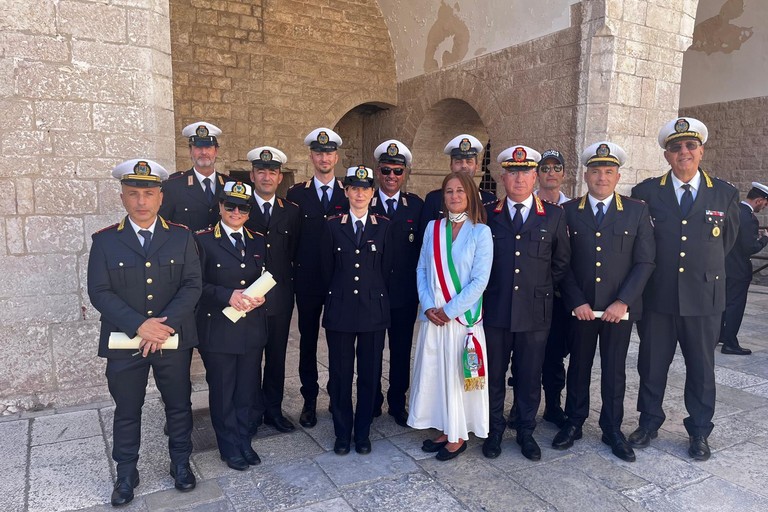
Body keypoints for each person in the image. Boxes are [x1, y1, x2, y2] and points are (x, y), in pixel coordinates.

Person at [87, 159, 201, 506]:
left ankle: (180, 462)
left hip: (171, 338)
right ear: (122, 197)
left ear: (160, 197)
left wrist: (160, 326)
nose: (141, 201)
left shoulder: (180, 237)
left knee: (179, 405)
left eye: (148, 193)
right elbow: (99, 291)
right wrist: (140, 325)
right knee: (127, 408)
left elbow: (192, 285)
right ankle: (126, 472)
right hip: (125, 340)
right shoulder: (106, 241)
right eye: (133, 193)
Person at [630, 117, 740, 461]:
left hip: (703, 298)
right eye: (676, 147)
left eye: (690, 146)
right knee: (651, 365)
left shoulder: (725, 193)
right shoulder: (646, 192)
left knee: (702, 369)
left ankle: (699, 432)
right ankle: (649, 422)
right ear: (666, 155)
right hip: (658, 297)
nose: (684, 152)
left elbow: (727, 244)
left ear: (701, 150)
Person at [554, 142, 655, 462]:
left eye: (608, 171)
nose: (602, 177)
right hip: (582, 309)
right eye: (596, 171)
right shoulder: (568, 211)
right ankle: (574, 422)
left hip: (617, 312)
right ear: (586, 175)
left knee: (614, 370)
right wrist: (575, 301)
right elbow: (562, 262)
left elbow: (645, 262)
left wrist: (623, 301)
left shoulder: (637, 210)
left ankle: (612, 427)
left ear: (617, 176)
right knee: (578, 367)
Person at [482, 145, 570, 461]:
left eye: (526, 173)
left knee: (529, 376)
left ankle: (525, 432)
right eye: (513, 172)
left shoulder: (555, 215)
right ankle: (493, 431)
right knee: (493, 375)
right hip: (495, 310)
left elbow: (560, 263)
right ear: (503, 177)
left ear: (535, 177)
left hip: (534, 313)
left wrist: (540, 290)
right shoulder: (487, 214)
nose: (519, 179)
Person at [408, 172, 493, 461]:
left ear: (470, 195)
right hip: (434, 319)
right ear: (442, 197)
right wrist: (429, 305)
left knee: (458, 377)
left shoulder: (480, 232)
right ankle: (445, 427)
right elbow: (421, 269)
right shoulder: (432, 228)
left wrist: (448, 310)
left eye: (460, 191)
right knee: (436, 374)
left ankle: (458, 435)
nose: (454, 196)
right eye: (449, 191)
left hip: (461, 320)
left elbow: (480, 281)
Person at [194, 181, 267, 471]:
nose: (236, 211)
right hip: (219, 328)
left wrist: (262, 296)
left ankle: (243, 440)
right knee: (223, 390)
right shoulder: (202, 240)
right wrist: (227, 295)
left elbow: (265, 275)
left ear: (249, 212)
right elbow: (194, 285)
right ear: (220, 207)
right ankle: (228, 446)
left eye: (243, 207)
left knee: (247, 389)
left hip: (251, 327)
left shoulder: (258, 239)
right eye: (230, 205)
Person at [320, 166, 392, 455]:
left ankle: (362, 433)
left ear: (372, 193)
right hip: (340, 310)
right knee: (340, 373)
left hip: (373, 311)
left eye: (365, 188)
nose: (359, 193)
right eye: (354, 187)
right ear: (346, 191)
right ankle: (341, 432)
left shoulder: (385, 225)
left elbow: (389, 268)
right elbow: (326, 268)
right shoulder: (331, 225)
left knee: (369, 373)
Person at [287, 127, 349, 428]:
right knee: (308, 341)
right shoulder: (297, 194)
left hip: (339, 281)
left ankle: (337, 395)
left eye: (329, 152)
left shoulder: (348, 192)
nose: (324, 157)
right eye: (318, 152)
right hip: (308, 281)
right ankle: (309, 399)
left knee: (339, 340)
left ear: (336, 157)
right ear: (311, 156)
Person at [508, 148, 572, 429]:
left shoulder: (568, 209)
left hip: (553, 297)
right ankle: (517, 409)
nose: (550, 173)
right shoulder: (511, 207)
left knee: (553, 354)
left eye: (555, 168)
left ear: (563, 174)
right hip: (522, 298)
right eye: (544, 168)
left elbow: (564, 258)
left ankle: (553, 405)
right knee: (522, 358)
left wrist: (545, 286)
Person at [245, 146, 301, 432]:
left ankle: (273, 410)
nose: (267, 176)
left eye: (273, 172)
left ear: (280, 178)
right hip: (249, 298)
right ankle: (253, 411)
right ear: (253, 174)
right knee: (252, 355)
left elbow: (294, 252)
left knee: (277, 355)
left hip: (279, 296)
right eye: (261, 171)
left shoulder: (291, 212)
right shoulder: (240, 207)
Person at [369, 139, 423, 427]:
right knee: (372, 350)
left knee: (401, 351)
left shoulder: (415, 206)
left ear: (405, 174)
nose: (392, 177)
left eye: (398, 171)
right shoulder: (367, 201)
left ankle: (397, 402)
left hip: (403, 294)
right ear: (378, 172)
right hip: (373, 293)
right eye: (386, 170)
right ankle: (373, 399)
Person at [719, 182, 768, 355]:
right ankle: (730, 343)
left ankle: (720, 335)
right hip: (739, 269)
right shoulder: (749, 218)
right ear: (759, 200)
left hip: (724, 265)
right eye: (765, 203)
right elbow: (749, 248)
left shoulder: (733, 210)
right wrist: (764, 239)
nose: (765, 206)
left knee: (723, 304)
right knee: (735, 306)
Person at [159, 121, 231, 231]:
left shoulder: (229, 185)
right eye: (198, 147)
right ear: (190, 151)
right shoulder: (173, 186)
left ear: (216, 151)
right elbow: (162, 226)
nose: (203, 152)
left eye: (208, 147)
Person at [418, 134, 496, 234]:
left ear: (477, 166)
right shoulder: (434, 199)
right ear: (451, 165)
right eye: (458, 162)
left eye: (469, 162)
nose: (464, 166)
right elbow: (425, 239)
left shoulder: (490, 201)